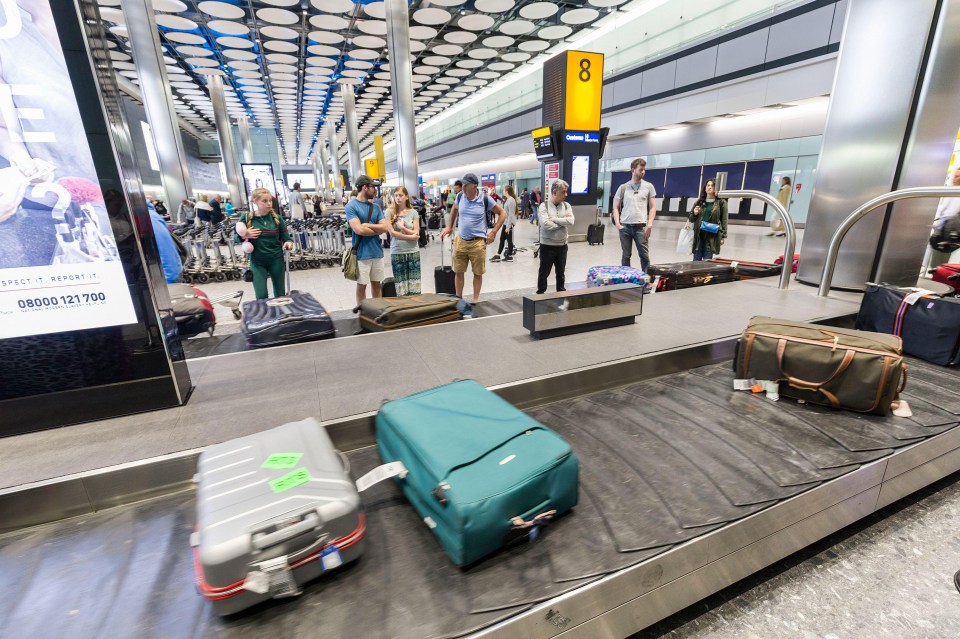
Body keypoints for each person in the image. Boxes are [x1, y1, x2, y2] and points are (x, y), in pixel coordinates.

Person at [440, 172, 506, 304]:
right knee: (458, 272)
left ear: (475, 186)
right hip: (461, 241)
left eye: (466, 185)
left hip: (478, 243)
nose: (463, 188)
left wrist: (493, 232)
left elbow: (502, 213)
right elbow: (454, 209)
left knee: (477, 273)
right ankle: (459, 299)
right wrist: (449, 227)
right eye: (462, 185)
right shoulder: (460, 197)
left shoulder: (484, 199)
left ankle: (475, 300)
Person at [235, 188, 293, 300]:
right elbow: (235, 237)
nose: (269, 203)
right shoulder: (247, 218)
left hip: (276, 259)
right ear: (255, 202)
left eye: (270, 200)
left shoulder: (277, 219)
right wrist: (244, 235)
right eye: (264, 201)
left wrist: (288, 243)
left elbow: (287, 238)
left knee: (280, 293)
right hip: (257, 261)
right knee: (261, 295)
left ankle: (281, 315)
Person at [345, 175, 390, 304]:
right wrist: (377, 229)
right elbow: (359, 230)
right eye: (373, 188)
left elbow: (385, 228)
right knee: (362, 285)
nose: (375, 190)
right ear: (365, 188)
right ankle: (363, 312)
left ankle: (378, 309)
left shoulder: (375, 207)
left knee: (377, 284)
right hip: (361, 253)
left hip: (377, 252)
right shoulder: (351, 206)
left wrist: (368, 225)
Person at [612, 158, 657, 272]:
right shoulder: (623, 187)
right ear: (633, 170)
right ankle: (626, 280)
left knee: (644, 256)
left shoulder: (649, 187)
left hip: (641, 227)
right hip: (625, 227)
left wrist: (649, 225)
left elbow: (652, 207)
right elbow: (615, 207)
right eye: (640, 170)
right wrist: (618, 224)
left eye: (644, 170)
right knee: (626, 256)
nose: (643, 172)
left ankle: (646, 280)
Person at [536, 179, 575, 294]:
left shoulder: (567, 206)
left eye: (566, 192)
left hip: (562, 246)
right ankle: (540, 295)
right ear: (554, 192)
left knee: (561, 273)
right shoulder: (544, 206)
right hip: (547, 247)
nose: (566, 195)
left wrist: (554, 220)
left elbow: (571, 221)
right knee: (544, 273)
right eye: (563, 192)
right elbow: (546, 225)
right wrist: (563, 221)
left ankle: (561, 294)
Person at [386, 186, 422, 296]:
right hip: (397, 252)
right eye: (396, 195)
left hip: (413, 251)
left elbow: (416, 232)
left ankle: (414, 309)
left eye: (400, 195)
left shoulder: (413, 212)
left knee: (414, 284)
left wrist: (403, 228)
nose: (398, 198)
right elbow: (392, 233)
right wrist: (410, 237)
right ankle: (403, 309)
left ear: (406, 197)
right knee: (400, 285)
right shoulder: (389, 212)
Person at [927, 166, 960, 270]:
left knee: (938, 265)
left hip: (947, 234)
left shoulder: (957, 194)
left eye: (958, 176)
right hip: (942, 231)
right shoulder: (952, 191)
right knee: (936, 262)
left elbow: (950, 214)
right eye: (954, 176)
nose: (954, 178)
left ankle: (937, 280)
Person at [688, 178, 728, 261]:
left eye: (712, 186)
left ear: (716, 188)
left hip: (711, 237)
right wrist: (695, 214)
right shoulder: (699, 202)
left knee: (707, 261)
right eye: (708, 185)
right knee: (696, 261)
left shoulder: (721, 203)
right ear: (705, 188)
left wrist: (723, 236)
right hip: (698, 236)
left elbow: (724, 220)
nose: (709, 187)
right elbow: (691, 219)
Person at [147, 201, 182, 283]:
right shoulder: (150, 216)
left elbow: (165, 249)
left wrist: (169, 280)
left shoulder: (149, 218)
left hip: (166, 277)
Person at [491, 184, 517, 262]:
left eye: (503, 190)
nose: (502, 191)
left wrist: (508, 227)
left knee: (509, 240)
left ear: (506, 191)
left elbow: (511, 214)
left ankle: (509, 256)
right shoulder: (508, 200)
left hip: (508, 224)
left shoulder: (511, 200)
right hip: (506, 223)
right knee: (502, 239)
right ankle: (498, 255)